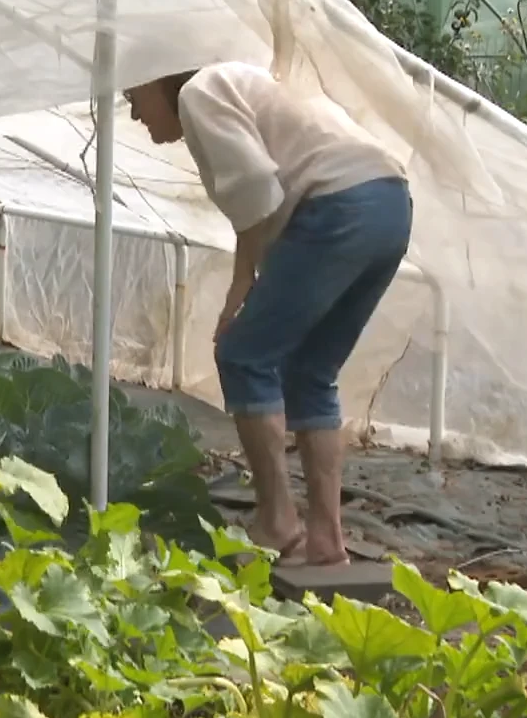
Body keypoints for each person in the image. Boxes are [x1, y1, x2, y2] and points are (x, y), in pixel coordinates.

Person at [125, 61, 411, 567]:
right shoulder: (238, 82)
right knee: (310, 371)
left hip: (338, 205)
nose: (133, 113)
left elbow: (257, 188)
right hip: (389, 205)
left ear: (157, 78)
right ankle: (326, 540)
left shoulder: (197, 91)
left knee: (243, 355)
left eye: (133, 95)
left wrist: (243, 286)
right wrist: (246, 282)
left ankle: (277, 521)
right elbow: (254, 199)